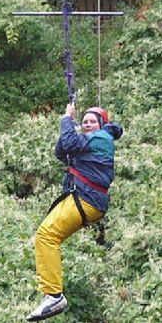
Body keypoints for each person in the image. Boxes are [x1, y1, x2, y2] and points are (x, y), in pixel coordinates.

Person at [26, 103, 123, 322]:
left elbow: (69, 142)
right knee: (46, 236)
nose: (87, 124)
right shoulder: (87, 143)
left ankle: (53, 295)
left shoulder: (101, 138)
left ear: (101, 125)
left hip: (86, 198)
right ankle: (52, 294)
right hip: (84, 198)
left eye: (91, 121)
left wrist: (67, 119)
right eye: (84, 121)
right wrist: (69, 125)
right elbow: (61, 151)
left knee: (46, 236)